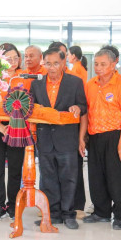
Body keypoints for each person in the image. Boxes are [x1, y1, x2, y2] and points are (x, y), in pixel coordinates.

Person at [30, 47, 87, 230]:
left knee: (69, 178)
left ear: (63, 63)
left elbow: (83, 105)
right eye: (48, 63)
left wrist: (78, 108)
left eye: (56, 63)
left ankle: (68, 214)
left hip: (67, 138)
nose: (52, 67)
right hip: (45, 138)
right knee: (48, 178)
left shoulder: (75, 82)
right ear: (43, 64)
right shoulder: (37, 84)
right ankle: (52, 214)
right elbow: (32, 108)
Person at [80, 49, 121, 230]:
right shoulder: (91, 84)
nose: (99, 68)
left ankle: (120, 214)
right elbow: (85, 113)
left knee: (117, 177)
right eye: (96, 64)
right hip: (94, 136)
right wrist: (83, 136)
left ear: (113, 65)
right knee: (96, 176)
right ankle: (101, 212)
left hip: (116, 135)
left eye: (103, 64)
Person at [0, 43, 25, 221]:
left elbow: (29, 104)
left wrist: (13, 124)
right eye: (8, 59)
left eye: (16, 58)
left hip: (17, 127)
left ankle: (12, 204)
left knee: (16, 168)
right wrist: (1, 127)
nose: (13, 61)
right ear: (0, 61)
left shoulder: (23, 78)